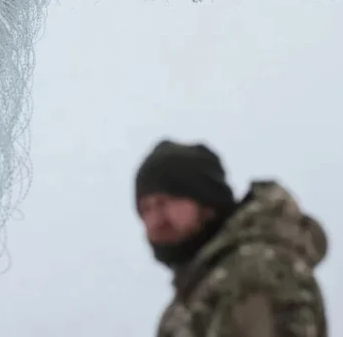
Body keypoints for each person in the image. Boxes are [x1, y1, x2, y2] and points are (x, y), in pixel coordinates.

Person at [135, 140, 329, 337]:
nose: (155, 220)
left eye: (164, 202)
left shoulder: (255, 273)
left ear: (206, 200)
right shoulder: (193, 297)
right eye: (145, 210)